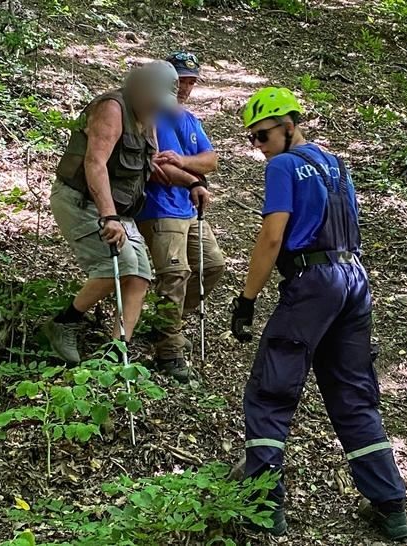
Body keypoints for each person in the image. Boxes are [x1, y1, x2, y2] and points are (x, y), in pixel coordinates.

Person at [230, 87, 407, 541]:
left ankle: (263, 505)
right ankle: (391, 506)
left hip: (313, 283)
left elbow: (273, 237)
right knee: (352, 393)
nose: (259, 146)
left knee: (271, 391)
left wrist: (247, 298)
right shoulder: (335, 164)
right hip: (353, 279)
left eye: (264, 136)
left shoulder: (283, 166)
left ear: (290, 125)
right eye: (253, 139)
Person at [43, 61, 191, 363]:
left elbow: (151, 167)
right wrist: (109, 217)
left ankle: (115, 353)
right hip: (82, 201)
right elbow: (94, 163)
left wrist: (192, 182)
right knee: (121, 265)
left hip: (120, 210)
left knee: (139, 277)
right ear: (139, 90)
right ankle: (64, 323)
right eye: (155, 99)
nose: (157, 108)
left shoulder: (145, 116)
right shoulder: (112, 108)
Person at [136, 51, 225, 382]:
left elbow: (211, 159)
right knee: (175, 274)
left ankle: (165, 324)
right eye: (180, 80)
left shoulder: (188, 120)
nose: (185, 87)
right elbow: (157, 167)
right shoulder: (148, 115)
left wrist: (185, 164)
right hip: (159, 207)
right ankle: (169, 350)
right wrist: (190, 175)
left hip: (187, 206)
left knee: (212, 266)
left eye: (191, 81)